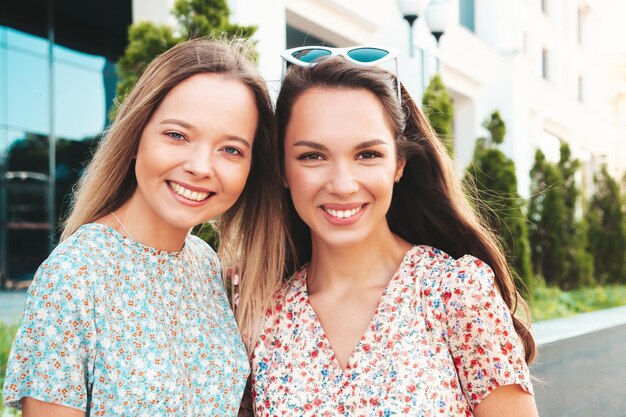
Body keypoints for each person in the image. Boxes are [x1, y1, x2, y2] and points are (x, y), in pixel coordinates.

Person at [3, 38, 287, 417]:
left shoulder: (205, 264)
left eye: (231, 149)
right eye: (177, 135)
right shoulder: (74, 276)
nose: (201, 166)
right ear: (136, 136)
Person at [248, 48, 538, 416]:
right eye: (313, 156)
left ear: (399, 164)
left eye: (367, 154)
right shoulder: (263, 314)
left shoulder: (455, 292)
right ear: (283, 170)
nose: (342, 184)